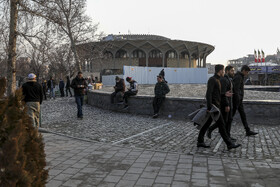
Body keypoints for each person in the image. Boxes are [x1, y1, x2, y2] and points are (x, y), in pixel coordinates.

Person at [197, 65, 241, 150]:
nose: (224, 72)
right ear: (220, 71)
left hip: (216, 106)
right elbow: (208, 94)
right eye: (223, 71)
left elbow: (216, 94)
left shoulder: (217, 80)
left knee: (207, 124)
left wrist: (224, 94)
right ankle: (229, 144)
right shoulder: (212, 80)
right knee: (221, 125)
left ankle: (200, 141)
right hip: (214, 107)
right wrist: (209, 107)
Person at [232, 65, 258, 136]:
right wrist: (238, 99)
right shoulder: (238, 77)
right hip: (236, 101)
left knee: (243, 115)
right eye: (246, 72)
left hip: (239, 101)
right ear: (243, 70)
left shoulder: (240, 77)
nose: (247, 73)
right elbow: (236, 90)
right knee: (230, 117)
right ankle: (215, 128)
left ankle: (247, 130)